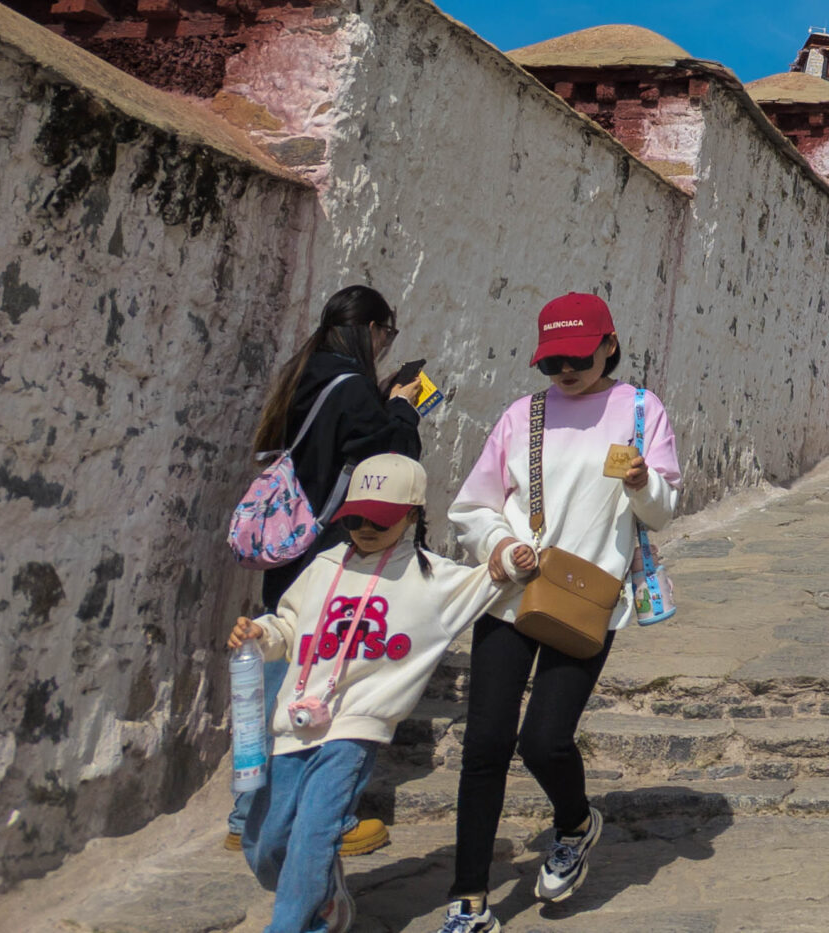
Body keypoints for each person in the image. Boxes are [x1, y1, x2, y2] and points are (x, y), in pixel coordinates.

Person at [438, 293, 680, 933]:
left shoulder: (638, 409)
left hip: (590, 595)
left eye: (577, 357)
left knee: (544, 740)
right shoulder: (526, 415)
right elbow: (474, 505)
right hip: (513, 592)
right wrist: (499, 545)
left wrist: (639, 483)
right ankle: (470, 903)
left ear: (609, 345)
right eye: (552, 362)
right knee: (485, 744)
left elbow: (662, 509)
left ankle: (575, 822)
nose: (565, 371)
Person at [229, 456, 502, 933]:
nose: (365, 528)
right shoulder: (325, 565)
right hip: (293, 723)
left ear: (413, 515)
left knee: (314, 835)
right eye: (355, 518)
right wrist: (260, 632)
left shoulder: (433, 578)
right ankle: (323, 895)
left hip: (354, 727)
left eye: (380, 518)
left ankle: (297, 924)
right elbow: (290, 626)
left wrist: (515, 558)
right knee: (267, 843)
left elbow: (493, 579)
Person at [230, 284, 426, 858]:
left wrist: (380, 399)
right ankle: (326, 821)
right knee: (324, 695)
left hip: (287, 553)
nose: (386, 345)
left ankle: (248, 815)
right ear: (369, 329)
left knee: (274, 684)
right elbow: (391, 459)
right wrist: (404, 407)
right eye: (386, 334)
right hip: (330, 556)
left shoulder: (306, 376)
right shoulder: (353, 388)